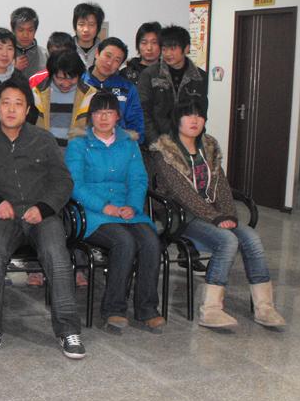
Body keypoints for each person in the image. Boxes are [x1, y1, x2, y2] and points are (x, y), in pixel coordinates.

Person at [0, 81, 85, 359]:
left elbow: (63, 181)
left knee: (56, 255)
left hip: (41, 216)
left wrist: (44, 207)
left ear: (28, 110)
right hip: (4, 217)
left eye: (18, 104)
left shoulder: (43, 139)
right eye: (5, 103)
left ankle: (68, 330)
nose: (11, 109)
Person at [150, 99, 285, 329]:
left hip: (213, 214)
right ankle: (211, 310)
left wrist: (229, 215)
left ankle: (264, 307)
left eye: (199, 116)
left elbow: (221, 186)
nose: (195, 120)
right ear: (176, 120)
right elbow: (183, 194)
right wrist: (216, 218)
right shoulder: (165, 152)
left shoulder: (209, 147)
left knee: (252, 238)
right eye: (188, 115)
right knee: (227, 240)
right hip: (181, 216)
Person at [65, 91, 165, 335]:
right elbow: (75, 185)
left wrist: (132, 205)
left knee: (151, 241)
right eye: (98, 113)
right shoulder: (78, 143)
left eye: (109, 113)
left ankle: (147, 309)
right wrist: (105, 206)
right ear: (90, 116)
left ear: (118, 116)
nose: (103, 118)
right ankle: (113, 309)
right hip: (92, 212)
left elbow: (138, 179)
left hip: (126, 209)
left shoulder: (129, 143)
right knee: (124, 242)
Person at [138, 24, 209, 146]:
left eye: (173, 48)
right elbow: (143, 111)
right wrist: (157, 143)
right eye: (164, 49)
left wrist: (195, 141)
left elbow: (201, 112)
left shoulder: (199, 77)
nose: (168, 54)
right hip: (157, 143)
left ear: (186, 48)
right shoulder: (150, 74)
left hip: (188, 143)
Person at [82, 37, 145, 143]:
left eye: (117, 60)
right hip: (84, 145)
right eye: (108, 56)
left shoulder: (127, 88)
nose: (109, 63)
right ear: (97, 53)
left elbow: (136, 126)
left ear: (120, 65)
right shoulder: (80, 84)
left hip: (119, 147)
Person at [33, 50, 96, 148]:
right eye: (60, 78)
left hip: (79, 151)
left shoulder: (91, 95)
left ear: (79, 75)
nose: (66, 84)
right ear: (52, 74)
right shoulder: (37, 94)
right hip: (44, 151)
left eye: (71, 78)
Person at [10, 7, 47, 79]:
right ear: (13, 30)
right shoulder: (4, 55)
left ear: (35, 31)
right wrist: (10, 68)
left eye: (30, 30)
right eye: (21, 30)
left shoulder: (45, 55)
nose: (25, 35)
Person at [73, 2, 105, 68]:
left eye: (91, 24)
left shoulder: (104, 50)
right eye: (81, 24)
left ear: (98, 27)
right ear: (75, 26)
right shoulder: (66, 49)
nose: (86, 29)